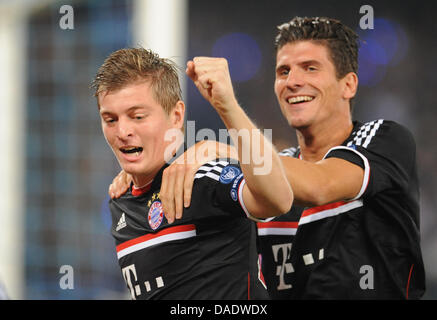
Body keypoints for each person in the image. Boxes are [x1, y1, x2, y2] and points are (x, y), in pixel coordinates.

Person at [110, 16, 426, 299]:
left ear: (349, 84)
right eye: (283, 71)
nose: (293, 81)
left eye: (310, 68)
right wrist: (142, 172)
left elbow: (319, 184)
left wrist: (223, 148)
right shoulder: (267, 172)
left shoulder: (383, 140)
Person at [92, 47, 292, 299]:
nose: (122, 131)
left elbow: (279, 199)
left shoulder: (205, 174)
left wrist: (227, 106)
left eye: (138, 116)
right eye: (110, 120)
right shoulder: (119, 201)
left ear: (176, 116)